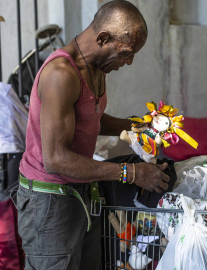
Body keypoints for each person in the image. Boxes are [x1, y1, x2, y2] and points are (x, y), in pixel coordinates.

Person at [16, 1, 170, 269]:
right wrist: (131, 173)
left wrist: (138, 126)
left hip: (81, 191)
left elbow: (90, 118)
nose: (129, 61)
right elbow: (56, 159)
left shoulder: (97, 66)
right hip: (49, 200)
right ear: (103, 38)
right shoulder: (61, 75)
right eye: (126, 53)